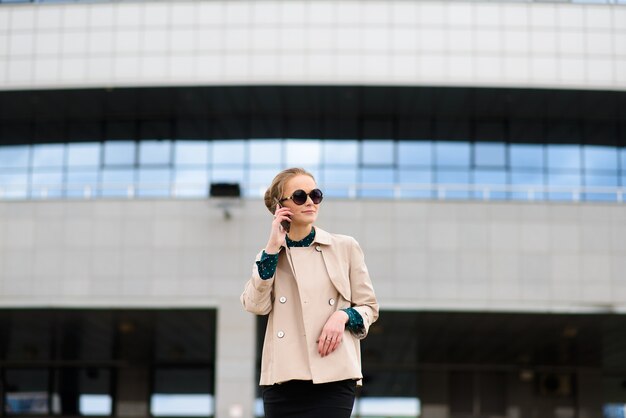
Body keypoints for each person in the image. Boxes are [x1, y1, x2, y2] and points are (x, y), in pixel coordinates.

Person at [241, 167, 379, 418]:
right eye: (299, 196)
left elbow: (369, 307)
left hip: (333, 376)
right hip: (282, 379)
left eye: (315, 195)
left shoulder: (345, 247)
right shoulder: (268, 257)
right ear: (279, 207)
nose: (310, 202)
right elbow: (255, 305)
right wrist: (272, 248)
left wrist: (342, 316)